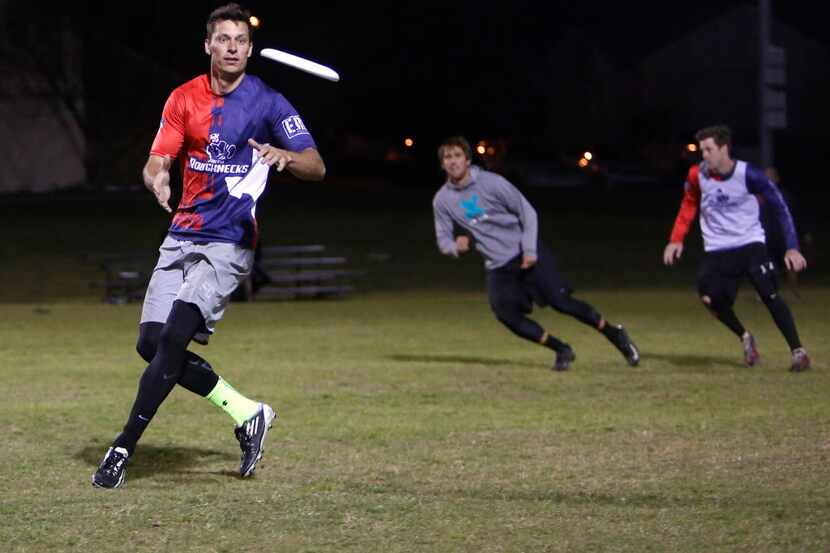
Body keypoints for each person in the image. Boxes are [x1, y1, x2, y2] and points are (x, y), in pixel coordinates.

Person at [92, 3, 326, 488]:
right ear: (208, 45)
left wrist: (286, 156)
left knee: (174, 339)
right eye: (224, 38)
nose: (234, 47)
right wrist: (156, 178)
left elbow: (316, 166)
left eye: (241, 39)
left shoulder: (267, 102)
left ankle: (122, 447)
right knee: (151, 344)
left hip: (229, 241)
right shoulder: (183, 98)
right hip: (181, 233)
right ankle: (247, 413)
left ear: (250, 47)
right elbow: (158, 159)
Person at [432, 136, 640, 372]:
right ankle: (561, 349)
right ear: (442, 165)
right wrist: (454, 247)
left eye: (457, 155)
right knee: (505, 314)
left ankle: (615, 335)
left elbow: (528, 213)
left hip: (525, 252)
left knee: (562, 303)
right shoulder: (442, 200)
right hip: (498, 266)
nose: (453, 161)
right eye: (447, 157)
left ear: (468, 160)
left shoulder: (492, 183)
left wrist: (529, 250)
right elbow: (443, 240)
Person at [662, 125, 809, 372]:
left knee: (769, 293)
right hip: (718, 249)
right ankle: (745, 337)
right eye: (702, 150)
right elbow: (688, 204)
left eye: (708, 149)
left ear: (724, 149)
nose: (704, 155)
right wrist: (676, 239)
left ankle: (798, 352)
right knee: (709, 297)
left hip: (750, 243)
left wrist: (792, 247)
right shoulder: (696, 175)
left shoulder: (749, 174)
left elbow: (780, 207)